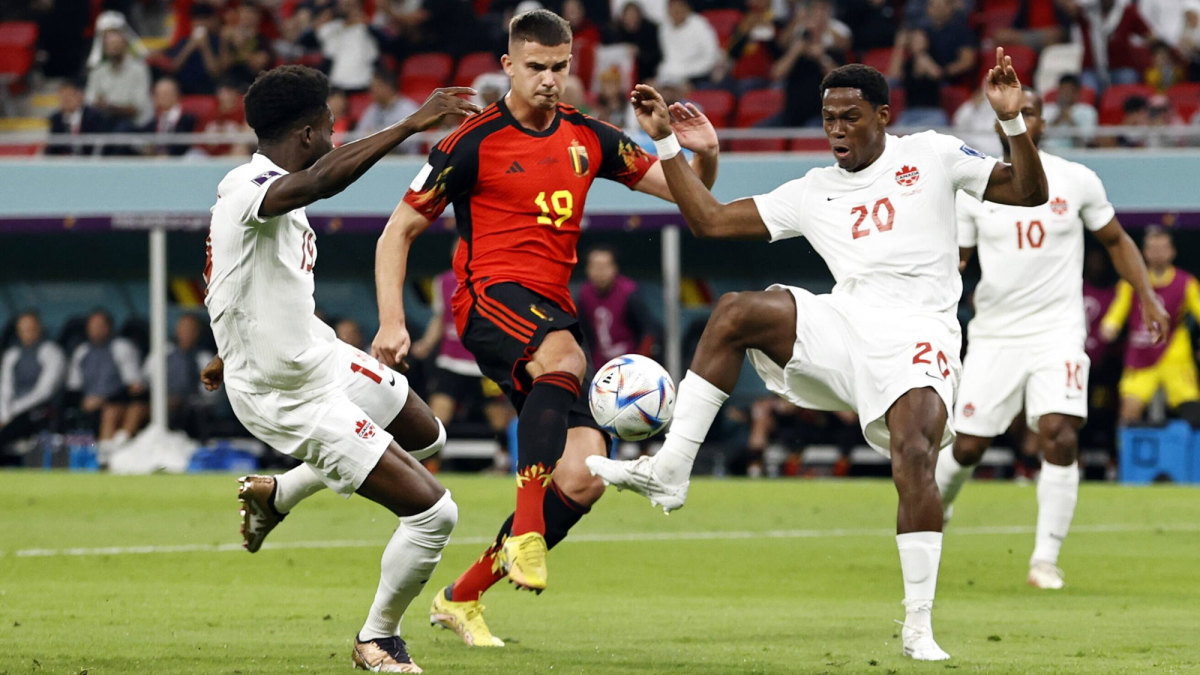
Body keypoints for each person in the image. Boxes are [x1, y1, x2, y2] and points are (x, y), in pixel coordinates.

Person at [587, 51, 1049, 661]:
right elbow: (712, 223)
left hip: (921, 334)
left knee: (915, 456)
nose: (836, 129)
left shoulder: (931, 155)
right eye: (828, 118)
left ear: (883, 116)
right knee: (734, 312)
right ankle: (671, 471)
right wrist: (669, 144)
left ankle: (918, 626)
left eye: (850, 117)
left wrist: (1012, 122)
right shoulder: (813, 191)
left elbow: (1029, 193)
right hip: (844, 326)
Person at [370, 9, 717, 647]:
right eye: (537, 67)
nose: (551, 79)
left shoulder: (591, 136)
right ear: (508, 66)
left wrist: (696, 149)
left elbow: (695, 204)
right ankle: (527, 532)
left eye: (561, 67)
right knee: (564, 359)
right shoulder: (469, 141)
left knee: (586, 473)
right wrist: (392, 319)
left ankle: (462, 596)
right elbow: (398, 231)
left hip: (550, 312)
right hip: (487, 298)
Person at [200, 64, 478, 670]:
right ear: (306, 135)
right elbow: (324, 181)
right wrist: (410, 124)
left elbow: (241, 279)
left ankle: (278, 496)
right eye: (330, 126)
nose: (334, 135)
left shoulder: (264, 195)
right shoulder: (248, 187)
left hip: (317, 358)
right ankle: (376, 638)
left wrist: (227, 349)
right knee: (435, 514)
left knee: (429, 436)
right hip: (286, 397)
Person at [933, 86, 1166, 591]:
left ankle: (1044, 561)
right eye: (1014, 112)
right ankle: (940, 505)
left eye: (1031, 111)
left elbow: (1115, 240)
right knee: (969, 446)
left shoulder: (1077, 179)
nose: (1021, 117)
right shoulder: (975, 188)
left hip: (1058, 331)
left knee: (1060, 431)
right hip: (995, 334)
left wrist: (1146, 293)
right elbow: (958, 261)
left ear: (1041, 123)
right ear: (999, 125)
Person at [1098, 226, 1200, 426]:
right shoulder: (1131, 282)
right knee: (1128, 413)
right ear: (1144, 252)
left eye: (1162, 248)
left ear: (1172, 251)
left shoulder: (1186, 282)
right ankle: (1129, 455)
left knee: (1193, 414)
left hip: (1175, 357)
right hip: (1140, 356)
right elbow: (1116, 314)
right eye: (1152, 248)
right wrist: (1110, 327)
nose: (1158, 253)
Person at [65, 310, 146, 449]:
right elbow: (73, 389)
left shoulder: (121, 347)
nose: (96, 331)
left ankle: (106, 453)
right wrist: (83, 402)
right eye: (92, 327)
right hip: (88, 408)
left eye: (100, 326)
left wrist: (103, 400)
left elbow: (134, 388)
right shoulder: (82, 351)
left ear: (109, 327)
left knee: (111, 411)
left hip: (118, 404)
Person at [577, 244, 660, 368]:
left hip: (629, 363)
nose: (600, 272)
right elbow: (582, 334)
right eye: (595, 266)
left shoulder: (629, 292)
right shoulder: (584, 294)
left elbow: (648, 329)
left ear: (614, 268)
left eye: (604, 266)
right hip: (599, 366)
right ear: (587, 269)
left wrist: (640, 363)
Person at [0, 312, 66, 454]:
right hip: (10, 412)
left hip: (40, 410)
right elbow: (5, 388)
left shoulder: (51, 352)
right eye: (23, 330)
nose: (27, 333)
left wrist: (13, 412)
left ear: (39, 328)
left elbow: (44, 391)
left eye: (30, 329)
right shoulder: (11, 354)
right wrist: (4, 414)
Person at [46, 79, 110, 157]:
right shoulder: (56, 118)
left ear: (79, 96)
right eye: (62, 97)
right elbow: (53, 147)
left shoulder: (95, 117)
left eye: (68, 96)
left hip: (90, 161)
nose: (65, 100)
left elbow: (101, 146)